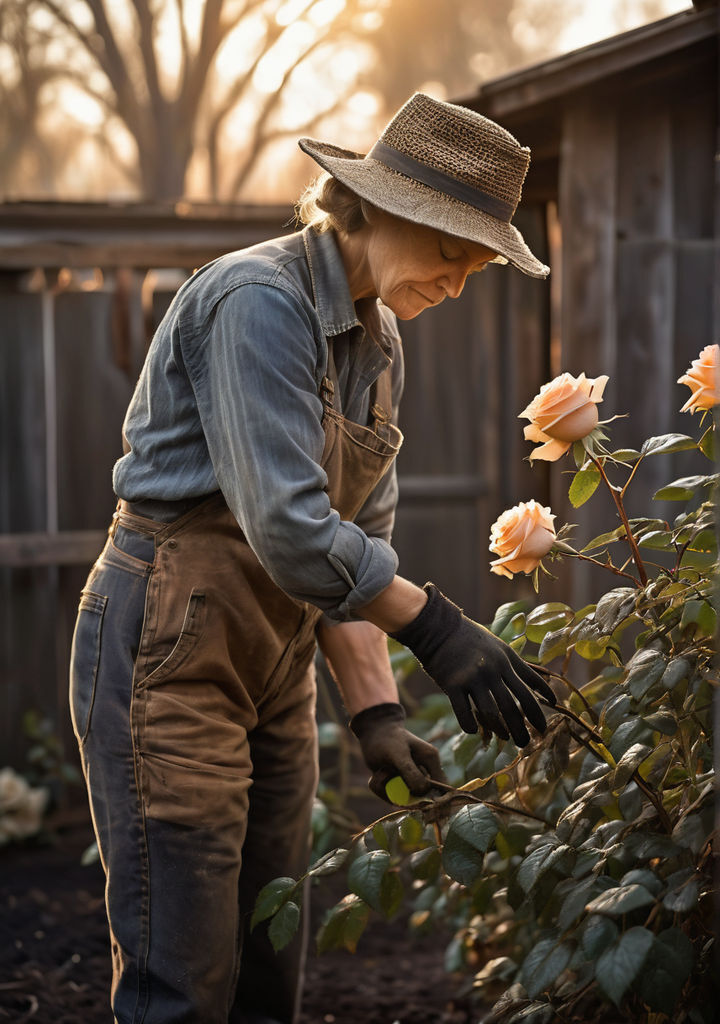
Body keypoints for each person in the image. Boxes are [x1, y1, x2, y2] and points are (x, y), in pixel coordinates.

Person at [69, 92, 555, 1024]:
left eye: (478, 265)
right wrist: (439, 629)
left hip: (274, 664)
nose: (460, 281)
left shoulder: (378, 340)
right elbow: (291, 530)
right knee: (185, 976)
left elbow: (356, 546)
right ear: (375, 208)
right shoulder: (258, 302)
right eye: (451, 249)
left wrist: (374, 712)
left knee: (267, 961)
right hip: (169, 648)